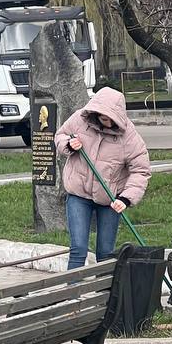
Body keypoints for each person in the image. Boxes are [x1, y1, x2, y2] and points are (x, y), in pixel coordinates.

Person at [54, 87, 152, 269]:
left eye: (112, 119)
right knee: (78, 249)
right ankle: (73, 287)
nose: (108, 123)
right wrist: (68, 144)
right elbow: (60, 135)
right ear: (95, 112)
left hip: (110, 200)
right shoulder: (80, 119)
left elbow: (141, 171)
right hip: (78, 194)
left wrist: (126, 198)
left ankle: (105, 287)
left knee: (106, 252)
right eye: (104, 119)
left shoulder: (129, 136)